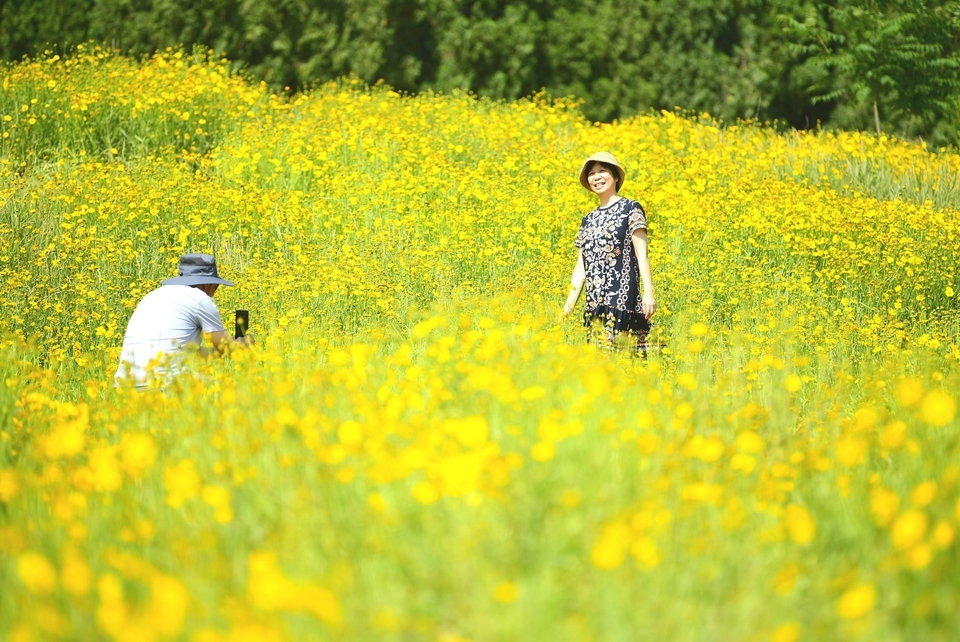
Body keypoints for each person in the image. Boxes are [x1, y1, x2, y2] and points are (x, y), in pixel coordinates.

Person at [114, 253, 253, 389]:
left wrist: (219, 351)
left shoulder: (152, 296)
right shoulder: (200, 298)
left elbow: (189, 352)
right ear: (207, 284)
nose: (214, 292)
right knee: (225, 389)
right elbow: (227, 349)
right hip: (165, 385)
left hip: (124, 387)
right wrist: (244, 343)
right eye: (216, 287)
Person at [562, 151, 656, 353]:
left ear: (615, 177)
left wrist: (648, 293)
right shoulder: (588, 219)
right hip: (594, 303)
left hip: (622, 299)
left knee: (624, 358)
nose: (596, 177)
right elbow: (581, 268)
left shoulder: (631, 208)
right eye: (592, 173)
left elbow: (642, 255)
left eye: (602, 171)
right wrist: (567, 308)